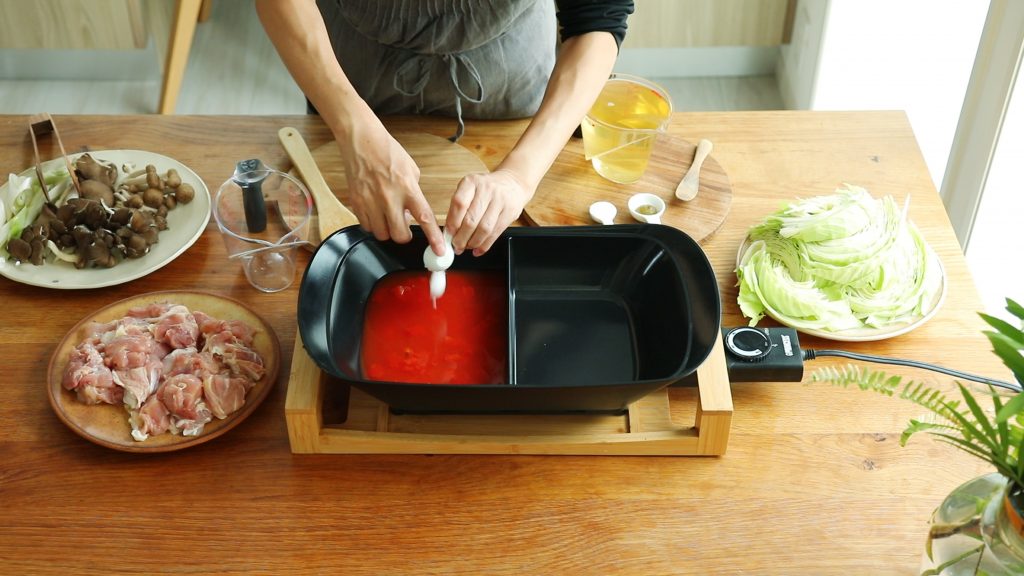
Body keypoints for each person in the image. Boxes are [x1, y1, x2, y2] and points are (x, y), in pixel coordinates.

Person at [255, 0, 634, 257]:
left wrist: (519, 177)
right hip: (348, 78)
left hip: (506, 88)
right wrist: (352, 125)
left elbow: (597, 21)